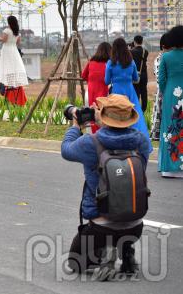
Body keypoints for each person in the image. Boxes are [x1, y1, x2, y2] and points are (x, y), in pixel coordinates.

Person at [62, 94, 150, 277]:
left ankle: (106, 250)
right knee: (124, 201)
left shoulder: (91, 142)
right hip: (135, 225)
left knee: (75, 262)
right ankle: (127, 251)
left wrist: (76, 127)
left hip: (101, 227)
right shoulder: (141, 141)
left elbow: (66, 149)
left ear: (103, 116)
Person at [105, 37, 152, 148]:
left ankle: (118, 144)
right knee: (135, 118)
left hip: (116, 92)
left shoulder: (111, 63)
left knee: (116, 118)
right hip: (130, 92)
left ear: (114, 48)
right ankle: (139, 144)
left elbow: (106, 81)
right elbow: (135, 78)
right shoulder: (131, 62)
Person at [158, 25, 183, 178]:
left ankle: (169, 167)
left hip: (171, 94)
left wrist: (165, 92)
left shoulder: (166, 57)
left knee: (170, 126)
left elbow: (161, 80)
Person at [0, 15, 28, 106]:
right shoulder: (17, 32)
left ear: (9, 22)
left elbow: (3, 40)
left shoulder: (6, 31)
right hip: (14, 50)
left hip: (6, 50)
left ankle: (8, 82)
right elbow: (18, 42)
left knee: (6, 65)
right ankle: (14, 82)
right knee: (14, 66)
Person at [81, 42, 111, 133]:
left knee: (91, 115)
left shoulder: (91, 62)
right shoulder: (108, 64)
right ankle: (101, 136)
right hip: (103, 93)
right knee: (102, 116)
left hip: (90, 92)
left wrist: (91, 81)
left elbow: (83, 76)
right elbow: (109, 80)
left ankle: (91, 136)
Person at [150, 32, 172, 141]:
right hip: (164, 91)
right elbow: (159, 77)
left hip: (165, 90)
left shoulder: (163, 58)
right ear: (164, 46)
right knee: (162, 114)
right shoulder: (161, 58)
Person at [130, 35, 149, 112]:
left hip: (135, 75)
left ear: (134, 41)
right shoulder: (145, 51)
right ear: (142, 41)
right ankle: (144, 108)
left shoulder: (131, 52)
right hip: (144, 74)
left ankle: (136, 109)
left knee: (136, 91)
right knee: (144, 91)